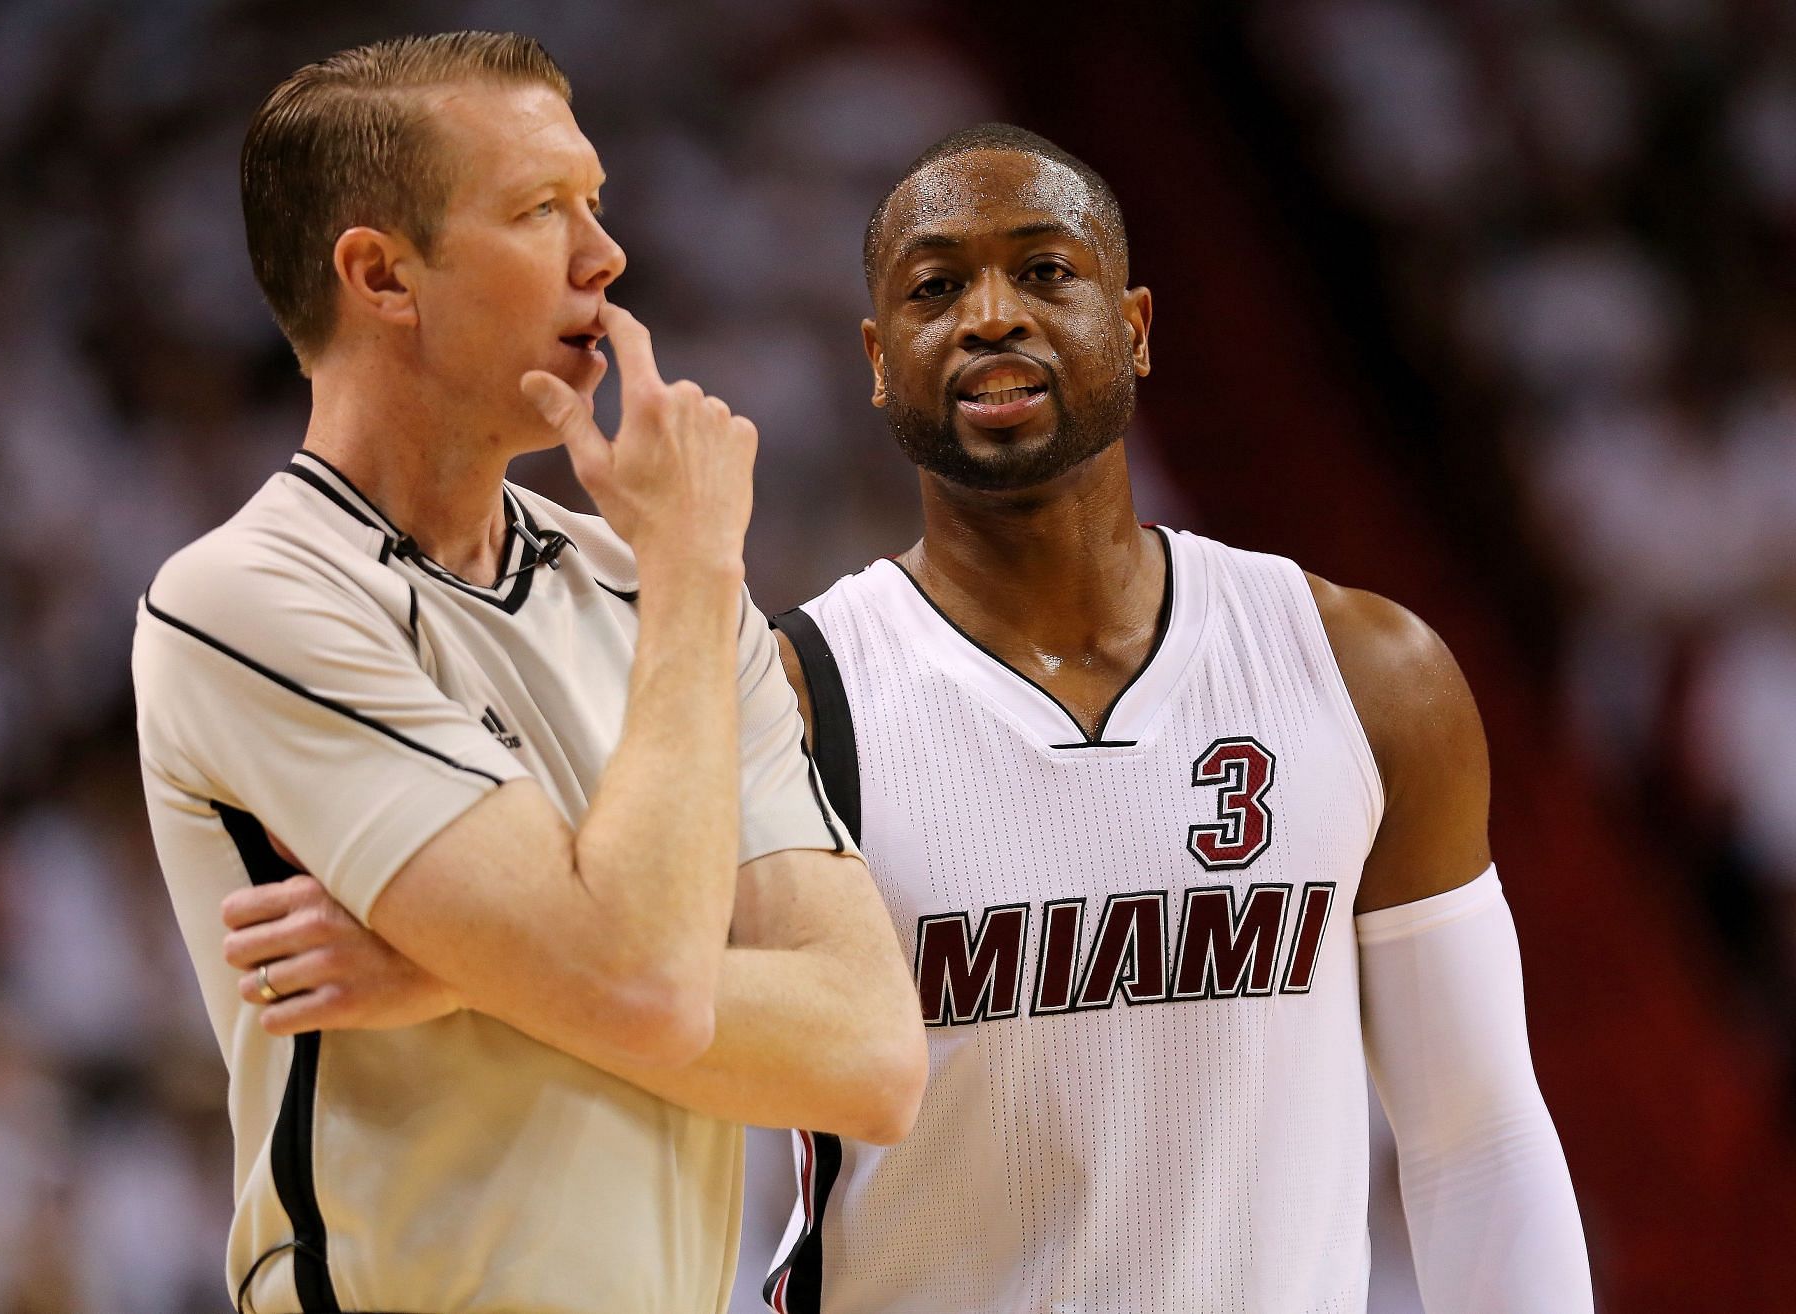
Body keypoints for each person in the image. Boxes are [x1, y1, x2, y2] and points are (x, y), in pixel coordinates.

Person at [242, 122, 1593, 1312]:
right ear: (884, 366)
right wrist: (458, 956)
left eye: (1044, 271)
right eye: (939, 288)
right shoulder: (792, 695)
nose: (992, 314)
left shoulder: (1365, 672)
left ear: (1133, 324)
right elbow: (613, 976)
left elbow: (1474, 1133)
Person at [131, 32, 925, 1314]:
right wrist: (580, 969)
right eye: (539, 210)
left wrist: (465, 971)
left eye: (596, 203)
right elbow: (642, 987)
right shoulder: (251, 600)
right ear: (382, 275)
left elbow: (873, 1055)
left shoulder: (666, 584)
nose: (605, 257)